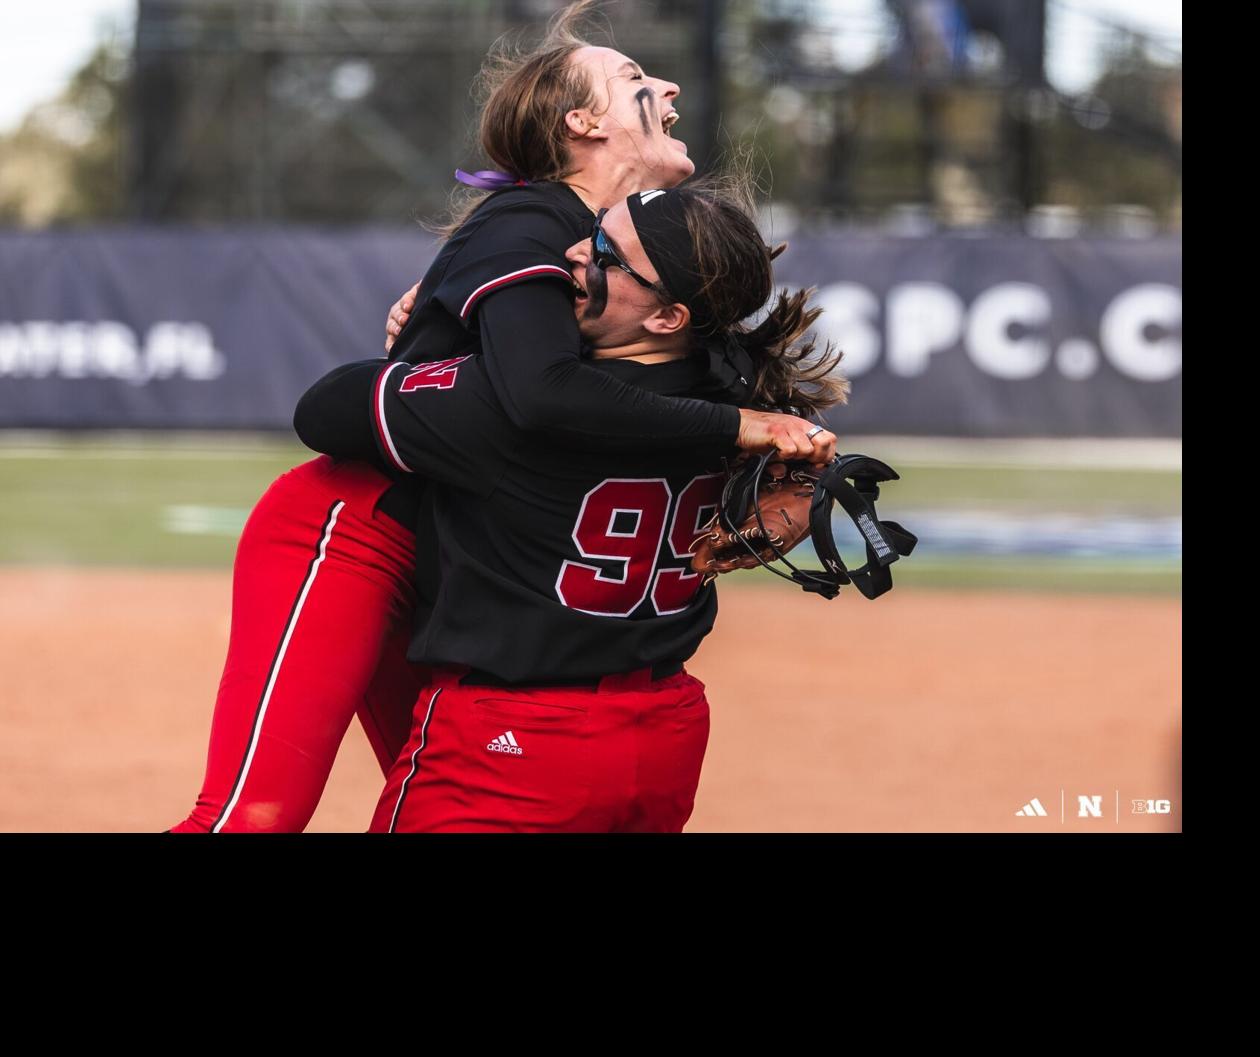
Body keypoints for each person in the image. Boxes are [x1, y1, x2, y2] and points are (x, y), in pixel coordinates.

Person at [169, 3, 833, 833]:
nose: (663, 84)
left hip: (469, 551)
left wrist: (780, 458)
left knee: (459, 774)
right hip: (362, 527)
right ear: (581, 124)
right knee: (256, 816)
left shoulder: (610, 251)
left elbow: (673, 374)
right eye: (632, 79)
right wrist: (743, 429)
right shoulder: (535, 223)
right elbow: (539, 394)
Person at [295, 179, 847, 831]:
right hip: (663, 734)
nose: (571, 255)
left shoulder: (506, 409)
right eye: (591, 232)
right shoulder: (746, 398)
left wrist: (449, 337)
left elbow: (325, 409)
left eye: (606, 254)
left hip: (515, 737)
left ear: (667, 317)